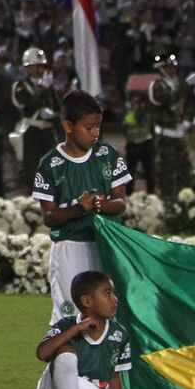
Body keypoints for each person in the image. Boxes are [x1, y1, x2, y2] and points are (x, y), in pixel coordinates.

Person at [34, 91, 132, 323]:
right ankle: (64, 359)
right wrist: (80, 208)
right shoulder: (51, 164)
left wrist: (99, 205)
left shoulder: (106, 155)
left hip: (104, 246)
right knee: (69, 318)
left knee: (107, 315)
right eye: (89, 127)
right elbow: (49, 216)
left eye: (98, 126)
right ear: (68, 126)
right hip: (70, 248)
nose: (95, 133)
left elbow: (120, 203)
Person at [34, 271, 142, 389]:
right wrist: (77, 328)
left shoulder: (119, 335)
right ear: (87, 301)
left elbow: (113, 376)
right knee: (64, 351)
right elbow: (42, 353)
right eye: (107, 294)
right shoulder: (66, 325)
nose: (115, 299)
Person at [11, 46, 60, 193]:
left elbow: (57, 107)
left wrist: (53, 113)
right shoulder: (20, 86)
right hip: (31, 131)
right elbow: (28, 106)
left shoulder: (47, 85)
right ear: (28, 68)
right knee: (31, 169)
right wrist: (43, 89)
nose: (40, 69)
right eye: (36, 66)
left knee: (51, 168)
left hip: (47, 130)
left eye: (42, 66)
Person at [148, 54, 192, 201]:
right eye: (168, 67)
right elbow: (167, 100)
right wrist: (186, 85)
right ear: (160, 68)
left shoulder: (176, 85)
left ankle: (182, 202)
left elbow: (180, 107)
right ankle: (166, 203)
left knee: (183, 172)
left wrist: (185, 120)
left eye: (173, 66)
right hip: (165, 137)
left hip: (178, 135)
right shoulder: (157, 85)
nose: (172, 70)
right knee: (166, 173)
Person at [121, 91, 156, 194]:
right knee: (130, 172)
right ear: (132, 105)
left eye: (141, 103)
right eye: (136, 103)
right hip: (133, 146)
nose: (139, 106)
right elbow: (125, 132)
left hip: (146, 145)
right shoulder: (128, 118)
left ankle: (151, 193)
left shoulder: (149, 117)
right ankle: (129, 193)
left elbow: (152, 131)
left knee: (149, 172)